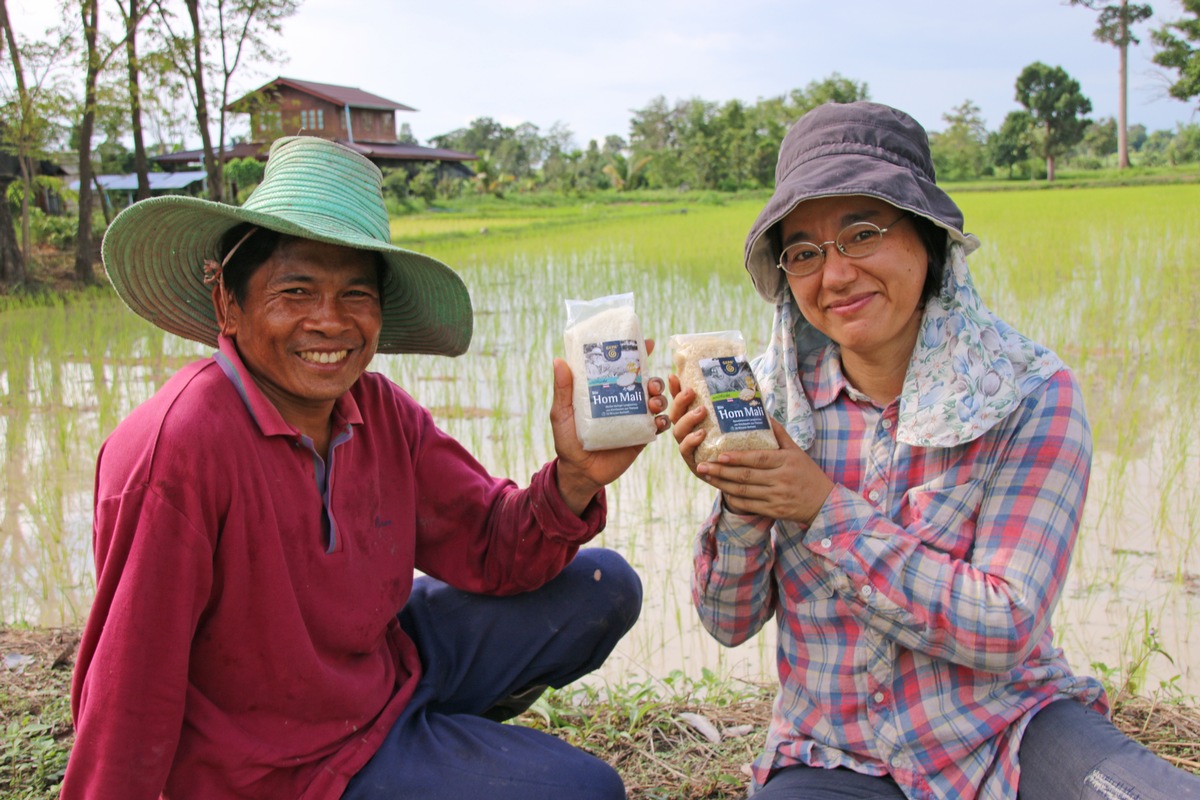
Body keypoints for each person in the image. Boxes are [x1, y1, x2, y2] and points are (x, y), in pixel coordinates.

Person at [62, 136, 669, 800]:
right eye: (296, 290)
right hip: (276, 763)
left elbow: (492, 544)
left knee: (604, 587)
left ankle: (434, 754)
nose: (329, 322)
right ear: (227, 305)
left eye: (355, 294)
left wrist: (575, 475)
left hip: (381, 675)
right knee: (585, 791)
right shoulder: (175, 449)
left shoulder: (378, 411)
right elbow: (131, 681)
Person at [668, 101, 1200, 800]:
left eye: (862, 233)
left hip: (1008, 728)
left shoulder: (1027, 394)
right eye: (803, 252)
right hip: (833, 749)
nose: (833, 277)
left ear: (927, 241)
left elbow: (1006, 624)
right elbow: (726, 624)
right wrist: (742, 495)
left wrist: (822, 508)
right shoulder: (768, 403)